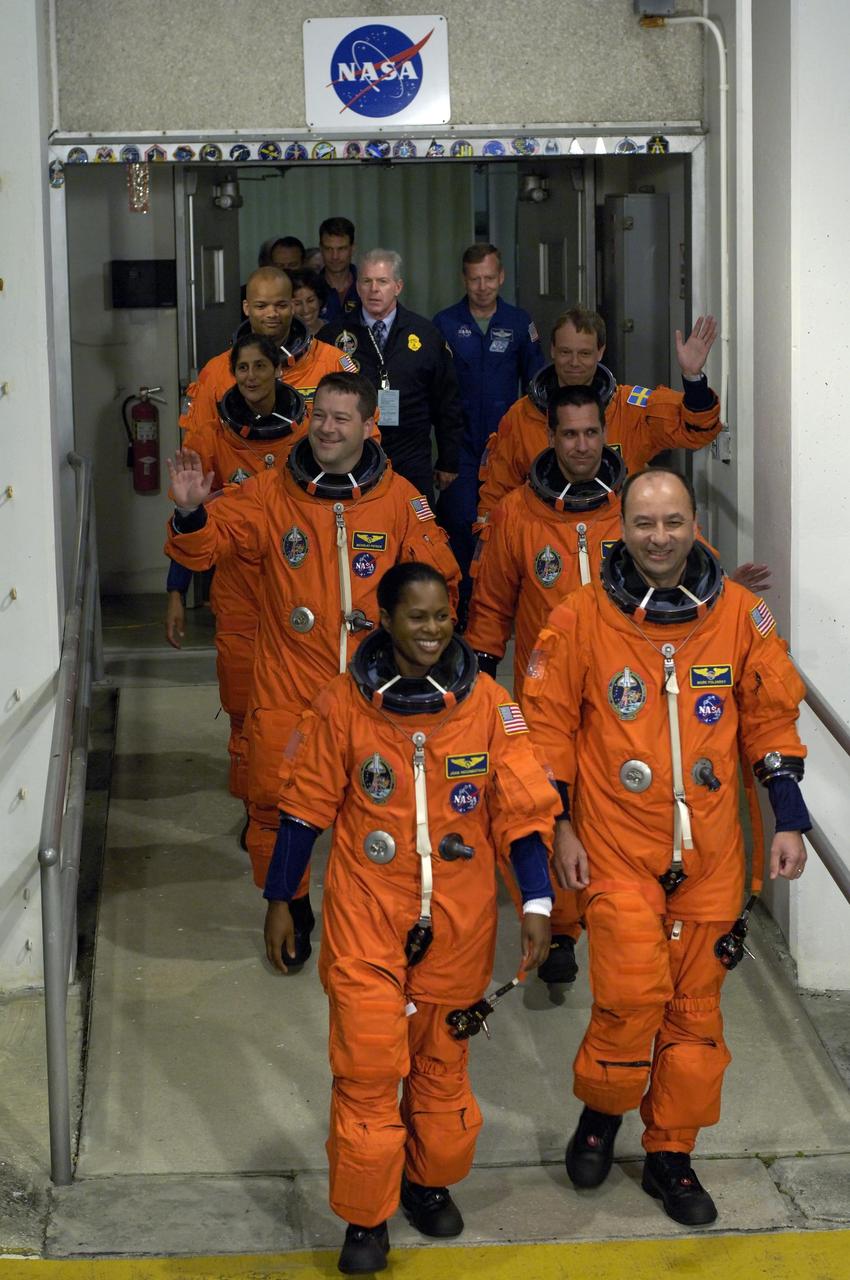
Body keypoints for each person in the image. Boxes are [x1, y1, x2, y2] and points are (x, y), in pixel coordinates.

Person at [523, 467, 809, 1227]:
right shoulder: (580, 617)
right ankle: (601, 1112)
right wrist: (560, 823)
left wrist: (788, 815)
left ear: (693, 525)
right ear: (623, 526)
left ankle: (670, 1155)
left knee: (695, 1013)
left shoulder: (740, 617)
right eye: (645, 523)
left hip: (712, 852)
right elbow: (545, 729)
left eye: (673, 522)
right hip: (617, 844)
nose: (659, 538)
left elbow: (772, 719)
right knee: (627, 995)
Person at [263, 562, 559, 1274]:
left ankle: (426, 1183)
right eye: (416, 617)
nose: (432, 630)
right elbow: (304, 805)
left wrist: (539, 902)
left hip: (457, 923)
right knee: (367, 1068)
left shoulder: (488, 703)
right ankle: (366, 1219)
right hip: (368, 913)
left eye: (441, 616)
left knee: (440, 1064)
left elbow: (521, 811)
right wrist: (283, 897)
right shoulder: (342, 704)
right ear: (386, 619)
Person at [166, 373, 461, 950]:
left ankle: (380, 914)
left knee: (387, 810)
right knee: (273, 809)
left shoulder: (400, 499)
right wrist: (190, 515)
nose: (327, 427)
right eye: (320, 415)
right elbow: (209, 545)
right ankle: (291, 903)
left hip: (374, 691)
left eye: (341, 418)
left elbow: (440, 576)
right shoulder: (271, 493)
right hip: (290, 684)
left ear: (369, 425)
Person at [466, 384, 625, 983]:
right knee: (549, 804)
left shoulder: (630, 506)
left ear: (604, 434)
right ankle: (561, 930)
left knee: (616, 804)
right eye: (569, 434)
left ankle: (616, 905)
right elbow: (492, 607)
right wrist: (480, 680)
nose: (581, 446)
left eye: (590, 433)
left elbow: (677, 559)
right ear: (550, 437)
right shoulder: (516, 514)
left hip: (623, 692)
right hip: (545, 695)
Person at [165, 333, 306, 811]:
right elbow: (189, 519)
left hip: (299, 588)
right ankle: (255, 808)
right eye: (241, 368)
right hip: (240, 591)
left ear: (278, 371)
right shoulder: (210, 437)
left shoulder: (310, 433)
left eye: (259, 367)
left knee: (300, 710)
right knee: (243, 708)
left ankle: (300, 800)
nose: (250, 377)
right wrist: (175, 593)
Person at [476, 306, 723, 527]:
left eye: (584, 353)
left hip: (617, 538)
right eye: (565, 352)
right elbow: (495, 497)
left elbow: (695, 431)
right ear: (551, 350)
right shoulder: (521, 417)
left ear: (600, 352)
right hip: (546, 541)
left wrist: (693, 378)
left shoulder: (629, 409)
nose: (574, 362)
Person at [433, 244, 545, 624]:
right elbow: (434, 392)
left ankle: (506, 612)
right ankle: (463, 612)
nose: (482, 286)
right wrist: (443, 456)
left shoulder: (518, 322)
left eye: (489, 278)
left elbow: (538, 387)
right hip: (460, 447)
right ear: (464, 279)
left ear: (501, 277)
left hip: (507, 448)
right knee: (461, 525)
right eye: (474, 278)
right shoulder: (444, 323)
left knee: (508, 527)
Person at [319, 249, 465, 501]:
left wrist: (448, 460)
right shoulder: (333, 336)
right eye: (367, 281)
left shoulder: (426, 335)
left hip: (411, 456)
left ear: (398, 286)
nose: (373, 289)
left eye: (382, 281)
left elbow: (447, 402)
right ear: (358, 286)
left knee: (415, 531)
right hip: (351, 458)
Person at [182, 266, 351, 437]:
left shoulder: (332, 363)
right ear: (246, 308)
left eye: (281, 305)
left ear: (292, 306)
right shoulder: (216, 372)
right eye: (261, 306)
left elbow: (361, 433)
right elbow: (197, 443)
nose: (272, 313)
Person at [318, 216, 359, 322]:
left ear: (352, 248)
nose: (335, 256)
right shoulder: (312, 289)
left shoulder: (368, 286)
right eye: (328, 249)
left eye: (341, 249)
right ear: (321, 249)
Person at [289, 268, 328, 337]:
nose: (306, 310)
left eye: (310, 301)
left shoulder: (335, 332)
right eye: (297, 303)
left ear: (320, 301)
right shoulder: (283, 338)